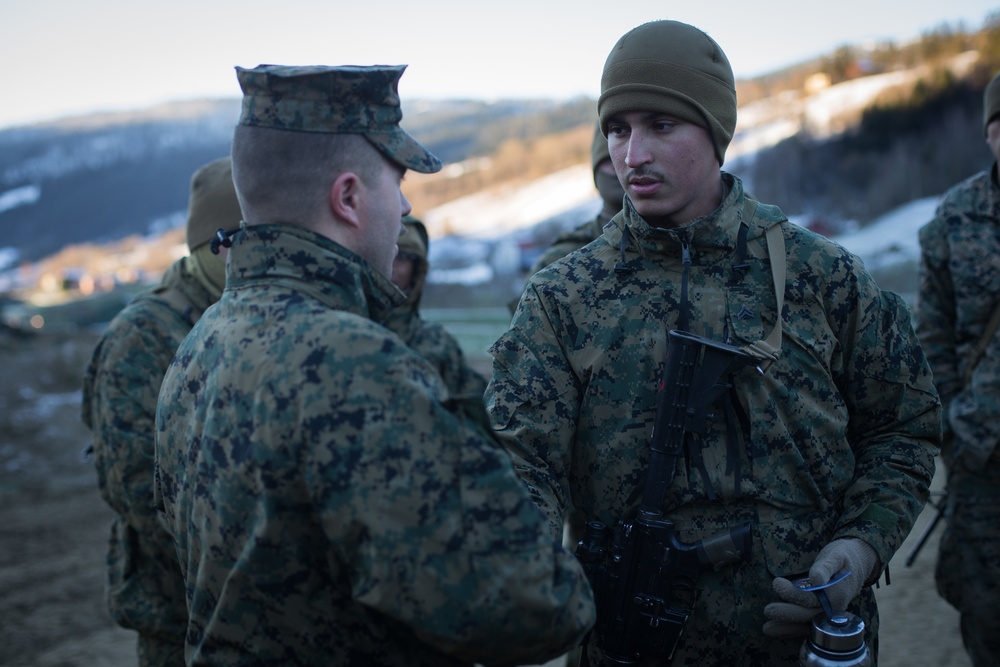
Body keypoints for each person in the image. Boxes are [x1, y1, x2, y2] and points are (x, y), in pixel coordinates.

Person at [485, 20, 941, 666]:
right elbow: (519, 464)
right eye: (618, 129)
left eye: (661, 125)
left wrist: (861, 547)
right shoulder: (564, 298)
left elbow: (904, 427)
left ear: (715, 133)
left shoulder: (822, 276)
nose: (632, 153)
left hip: (805, 647)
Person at [153, 64, 594, 667]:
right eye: (398, 181)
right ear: (350, 198)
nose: (406, 204)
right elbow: (538, 606)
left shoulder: (202, 340)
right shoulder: (356, 366)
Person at [81, 156, 241, 667]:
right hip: (180, 614)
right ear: (210, 244)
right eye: (242, 241)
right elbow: (136, 485)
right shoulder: (144, 335)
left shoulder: (248, 315)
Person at [915, 69, 1000, 667]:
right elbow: (933, 337)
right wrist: (952, 433)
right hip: (983, 453)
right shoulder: (956, 217)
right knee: (985, 601)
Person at [385, 214, 487, 398]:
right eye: (384, 252)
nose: (391, 265)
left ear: (417, 267)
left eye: (403, 256)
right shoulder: (338, 330)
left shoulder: (436, 343)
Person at [528, 120, 625, 275]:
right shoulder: (560, 261)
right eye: (609, 161)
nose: (619, 169)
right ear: (595, 170)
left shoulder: (673, 243)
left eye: (624, 158)